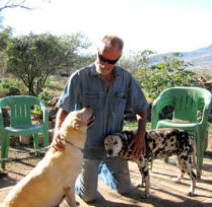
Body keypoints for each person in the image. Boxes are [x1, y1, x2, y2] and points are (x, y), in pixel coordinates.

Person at [52, 35, 149, 202]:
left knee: (125, 189)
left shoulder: (125, 79)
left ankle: (101, 170)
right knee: (89, 197)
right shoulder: (79, 77)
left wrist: (141, 135)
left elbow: (142, 109)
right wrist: (57, 134)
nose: (105, 64)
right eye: (102, 58)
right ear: (97, 51)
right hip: (87, 146)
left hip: (114, 145)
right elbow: (64, 109)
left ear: (118, 58)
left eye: (111, 61)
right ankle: (75, 180)